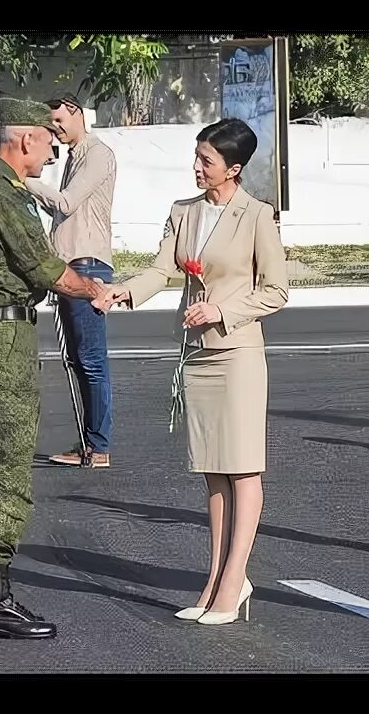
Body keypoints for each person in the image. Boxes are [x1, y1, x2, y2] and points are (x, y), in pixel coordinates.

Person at [95, 118, 289, 625]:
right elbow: (163, 268)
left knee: (243, 467)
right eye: (197, 157)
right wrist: (124, 291)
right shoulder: (183, 212)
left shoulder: (257, 216)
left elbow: (275, 290)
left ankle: (232, 581)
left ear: (235, 169)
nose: (197, 167)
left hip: (238, 354)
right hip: (197, 356)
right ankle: (217, 579)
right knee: (213, 471)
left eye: (207, 160)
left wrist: (222, 311)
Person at [0, 98, 107, 640]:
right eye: (48, 138)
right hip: (0, 340)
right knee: (4, 466)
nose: (54, 147)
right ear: (25, 140)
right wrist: (99, 290)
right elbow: (49, 270)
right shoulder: (2, 196)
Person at [24, 93, 117, 468]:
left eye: (60, 121)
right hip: (69, 265)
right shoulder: (75, 156)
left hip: (88, 265)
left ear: (77, 113)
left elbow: (65, 203)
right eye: (52, 125)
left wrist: (19, 176)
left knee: (92, 361)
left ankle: (99, 446)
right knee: (78, 360)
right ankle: (90, 443)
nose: (56, 130)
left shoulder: (97, 154)